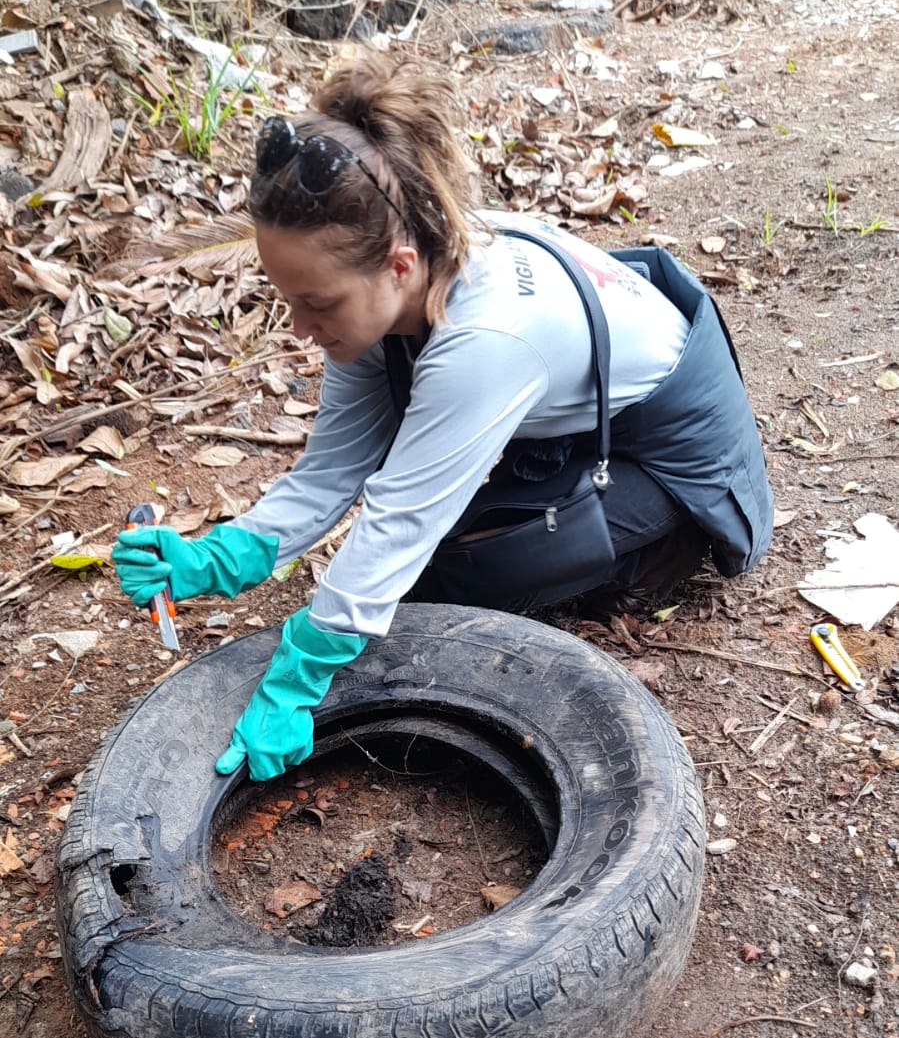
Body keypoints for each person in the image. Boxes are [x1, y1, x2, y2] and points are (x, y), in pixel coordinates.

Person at [113, 50, 774, 783]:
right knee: (387, 578)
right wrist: (220, 556)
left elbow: (396, 518)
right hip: (574, 423)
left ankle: (651, 553)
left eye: (317, 303)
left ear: (396, 267)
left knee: (437, 579)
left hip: (672, 453)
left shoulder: (484, 340)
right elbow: (333, 470)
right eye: (289, 299)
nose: (300, 329)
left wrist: (298, 676)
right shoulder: (398, 263)